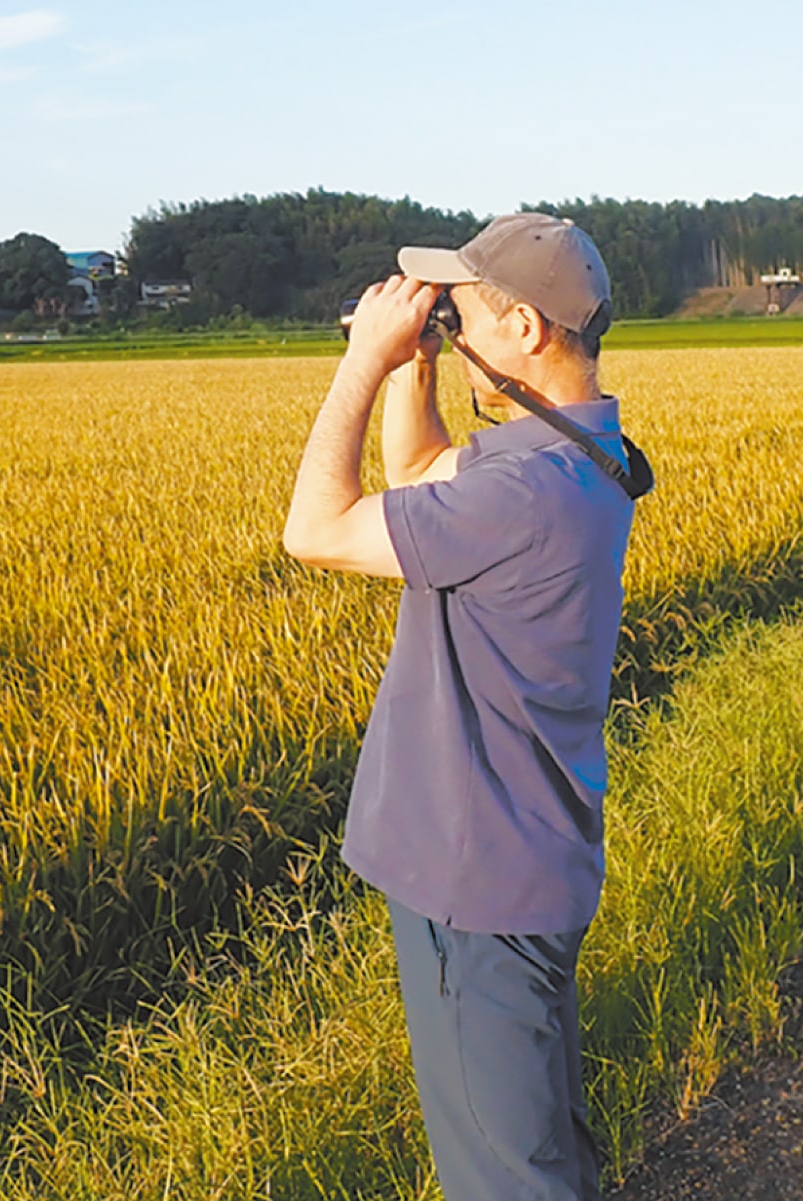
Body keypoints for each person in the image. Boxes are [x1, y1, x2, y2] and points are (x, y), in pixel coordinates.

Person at [282, 212, 639, 1201]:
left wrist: (362, 361)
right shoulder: (577, 454)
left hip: (474, 884)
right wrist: (419, 366)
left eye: (466, 312)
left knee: (507, 1179)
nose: (449, 324)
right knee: (541, 1151)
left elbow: (314, 529)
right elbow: (417, 471)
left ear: (527, 330)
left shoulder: (524, 489)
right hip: (530, 862)